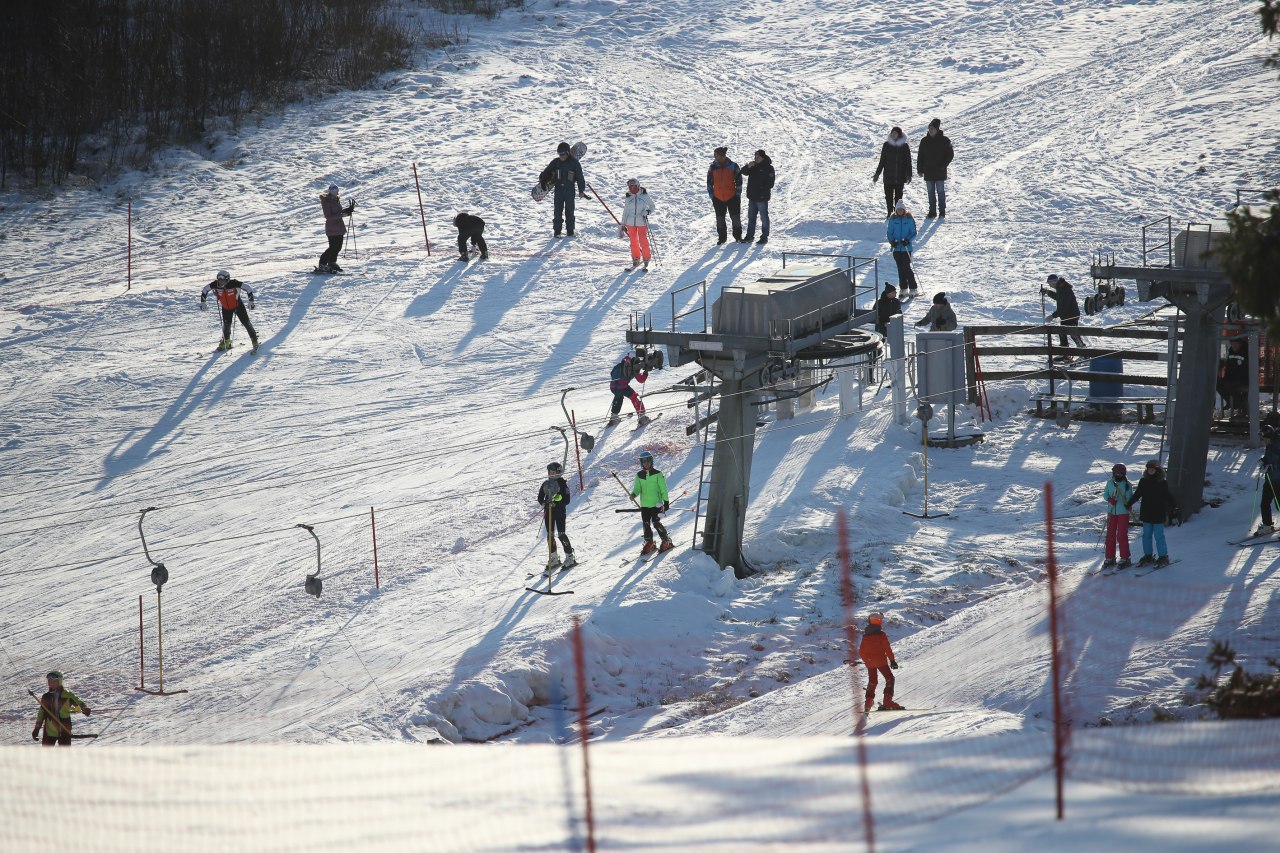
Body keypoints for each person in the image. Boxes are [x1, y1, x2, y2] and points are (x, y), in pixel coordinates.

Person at [1127, 459, 1177, 567]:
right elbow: (1137, 494)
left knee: (1159, 536)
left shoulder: (1162, 483)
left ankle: (1163, 557)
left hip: (1158, 514)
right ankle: (1148, 555)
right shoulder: (1143, 481)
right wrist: (1129, 503)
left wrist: (1174, 507)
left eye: (1152, 469)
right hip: (1147, 513)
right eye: (1149, 469)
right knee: (1146, 536)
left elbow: (1168, 496)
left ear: (1157, 470)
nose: (1150, 470)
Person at [200, 270, 259, 353]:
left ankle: (254, 341)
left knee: (246, 323)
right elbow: (205, 289)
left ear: (227, 279)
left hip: (238, 306)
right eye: (219, 280)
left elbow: (248, 288)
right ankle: (226, 342)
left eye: (222, 280)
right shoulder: (215, 284)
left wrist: (251, 301)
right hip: (226, 308)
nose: (220, 282)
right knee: (226, 325)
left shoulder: (233, 283)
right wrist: (203, 302)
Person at [538, 142, 588, 237]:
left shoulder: (575, 164)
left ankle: (570, 230)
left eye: (563, 154)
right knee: (557, 210)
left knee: (569, 210)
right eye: (559, 154)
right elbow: (546, 171)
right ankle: (557, 231)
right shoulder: (556, 162)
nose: (561, 156)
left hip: (569, 190)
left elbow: (580, 178)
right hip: (558, 190)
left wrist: (581, 190)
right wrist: (543, 180)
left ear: (568, 153)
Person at [537, 462, 577, 574]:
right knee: (550, 535)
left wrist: (559, 499)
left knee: (561, 534)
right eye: (549, 472)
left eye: (553, 472)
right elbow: (540, 497)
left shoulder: (562, 484)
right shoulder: (546, 484)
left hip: (559, 512)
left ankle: (570, 556)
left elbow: (567, 500)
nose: (551, 474)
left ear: (558, 472)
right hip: (548, 512)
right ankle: (554, 558)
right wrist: (544, 503)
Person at [32, 670, 91, 747]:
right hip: (49, 731)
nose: (50, 682)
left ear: (59, 681)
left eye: (53, 680)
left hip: (65, 730)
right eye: (49, 680)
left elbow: (79, 702)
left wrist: (84, 708)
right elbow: (41, 714)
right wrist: (36, 729)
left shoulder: (67, 695)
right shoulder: (46, 697)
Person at [631, 450, 672, 557]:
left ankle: (666, 540)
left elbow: (663, 489)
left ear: (651, 461)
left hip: (656, 504)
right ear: (641, 463)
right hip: (644, 505)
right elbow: (637, 489)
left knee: (656, 523)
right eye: (644, 462)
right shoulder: (639, 475)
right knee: (646, 524)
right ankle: (649, 542)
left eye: (648, 461)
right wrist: (633, 494)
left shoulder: (658, 474)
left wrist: (666, 502)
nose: (646, 463)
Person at [858, 612, 902, 711]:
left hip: (870, 663)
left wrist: (867, 661)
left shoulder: (866, 636)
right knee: (890, 678)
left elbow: (861, 651)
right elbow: (887, 648)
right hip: (881, 662)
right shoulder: (881, 634)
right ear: (879, 622)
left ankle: (868, 702)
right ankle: (887, 702)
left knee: (873, 681)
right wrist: (892, 660)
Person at [916, 118, 954, 218]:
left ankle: (942, 210)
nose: (931, 130)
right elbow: (920, 156)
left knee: (940, 191)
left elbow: (950, 154)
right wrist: (920, 169)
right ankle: (932, 211)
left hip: (940, 171)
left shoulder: (945, 140)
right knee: (930, 192)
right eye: (929, 128)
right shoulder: (924, 141)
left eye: (932, 128)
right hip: (928, 171)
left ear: (937, 129)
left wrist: (943, 165)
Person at [706, 146, 744, 245]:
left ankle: (738, 236)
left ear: (722, 156)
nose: (715, 157)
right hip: (718, 198)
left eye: (717, 155)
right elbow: (709, 182)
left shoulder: (733, 166)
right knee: (720, 219)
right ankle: (722, 238)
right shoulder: (713, 167)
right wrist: (712, 196)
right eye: (715, 155)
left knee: (735, 218)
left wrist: (737, 194)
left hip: (732, 197)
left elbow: (739, 181)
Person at [872, 126, 912, 217]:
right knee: (888, 196)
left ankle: (898, 213)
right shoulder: (886, 145)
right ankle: (889, 212)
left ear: (899, 135)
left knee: (898, 197)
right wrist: (877, 173)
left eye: (895, 133)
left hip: (900, 176)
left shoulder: (904, 146)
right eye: (892, 133)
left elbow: (908, 161)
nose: (893, 134)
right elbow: (882, 160)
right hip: (888, 175)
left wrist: (909, 174)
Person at [1101, 463, 1134, 569]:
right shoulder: (1110, 483)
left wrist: (1128, 504)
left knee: (1121, 535)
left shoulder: (1127, 485)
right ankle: (1110, 557)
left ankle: (1125, 557)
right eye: (1116, 473)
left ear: (1124, 474)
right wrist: (1109, 499)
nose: (1118, 475)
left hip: (1123, 512)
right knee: (1110, 535)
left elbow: (1129, 499)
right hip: (1111, 512)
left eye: (1120, 474)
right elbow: (1105, 494)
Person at [317, 184, 354, 273]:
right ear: (330, 192)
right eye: (334, 191)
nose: (336, 192)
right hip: (332, 228)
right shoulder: (326, 202)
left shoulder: (336, 200)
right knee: (333, 247)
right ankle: (322, 264)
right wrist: (342, 214)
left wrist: (347, 211)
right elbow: (328, 217)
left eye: (337, 190)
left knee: (338, 247)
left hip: (339, 227)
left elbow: (338, 213)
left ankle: (332, 263)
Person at [740, 149, 775, 245]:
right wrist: (748, 166)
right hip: (752, 198)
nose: (756, 158)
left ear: (763, 158)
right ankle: (749, 236)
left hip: (762, 198)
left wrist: (762, 192)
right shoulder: (753, 166)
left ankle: (764, 237)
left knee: (764, 218)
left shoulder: (769, 168)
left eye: (758, 157)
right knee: (751, 218)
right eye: (755, 156)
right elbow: (743, 172)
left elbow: (770, 183)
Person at [1042, 274, 1085, 350]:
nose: (1050, 286)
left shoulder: (1063, 289)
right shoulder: (1061, 288)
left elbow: (1063, 308)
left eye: (1050, 284)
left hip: (1071, 315)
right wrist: (1048, 292)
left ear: (1054, 282)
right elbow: (1059, 298)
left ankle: (1083, 351)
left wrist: (1052, 316)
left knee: (1073, 334)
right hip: (1067, 315)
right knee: (1062, 332)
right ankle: (1065, 350)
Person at [620, 178, 655, 269]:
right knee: (633, 241)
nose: (632, 189)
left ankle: (646, 258)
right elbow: (626, 211)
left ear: (638, 186)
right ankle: (635, 258)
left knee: (643, 240)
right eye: (630, 187)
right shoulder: (628, 197)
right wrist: (623, 224)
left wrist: (647, 212)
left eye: (634, 187)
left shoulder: (644, 196)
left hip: (641, 222)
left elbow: (652, 206)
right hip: (630, 223)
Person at [886, 198, 919, 295]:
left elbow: (913, 232)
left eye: (901, 210)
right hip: (897, 248)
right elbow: (889, 233)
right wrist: (892, 242)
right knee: (900, 268)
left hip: (906, 248)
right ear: (896, 211)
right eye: (898, 210)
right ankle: (903, 288)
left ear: (904, 210)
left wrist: (908, 240)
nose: (900, 211)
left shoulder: (909, 219)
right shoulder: (893, 220)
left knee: (906, 268)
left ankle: (913, 288)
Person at [609, 353, 648, 426]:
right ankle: (642, 418)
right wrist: (646, 373)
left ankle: (614, 418)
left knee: (618, 397)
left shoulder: (617, 366)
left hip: (613, 387)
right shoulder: (632, 368)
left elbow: (611, 374)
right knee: (634, 397)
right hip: (623, 387)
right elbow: (641, 380)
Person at [1254, 426, 1280, 536]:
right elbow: (1269, 458)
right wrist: (1263, 461)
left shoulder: (1277, 446)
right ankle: (1267, 525)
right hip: (1270, 479)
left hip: (1278, 480)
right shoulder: (1269, 446)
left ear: (1269, 436)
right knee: (1264, 503)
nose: (1263, 440)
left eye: (1264, 437)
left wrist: (1270, 467)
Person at [1217, 337, 1248, 418]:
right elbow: (1226, 362)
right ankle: (1232, 402)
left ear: (1240, 343)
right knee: (1218, 384)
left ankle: (1240, 404)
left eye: (1235, 344)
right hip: (1230, 377)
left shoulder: (1247, 350)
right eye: (1232, 344)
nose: (1233, 346)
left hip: (1243, 379)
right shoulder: (1230, 350)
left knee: (1230, 385)